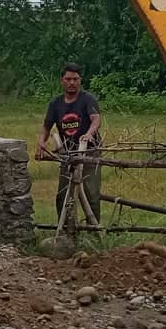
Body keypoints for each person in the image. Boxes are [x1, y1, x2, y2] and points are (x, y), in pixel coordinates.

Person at [37, 63, 102, 224]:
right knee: (63, 194)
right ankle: (65, 230)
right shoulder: (56, 104)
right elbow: (47, 127)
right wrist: (41, 143)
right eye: (68, 79)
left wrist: (88, 134)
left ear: (80, 80)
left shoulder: (88, 99)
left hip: (89, 153)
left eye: (75, 79)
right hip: (67, 154)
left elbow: (96, 119)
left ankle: (94, 230)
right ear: (62, 81)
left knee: (91, 194)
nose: (72, 82)